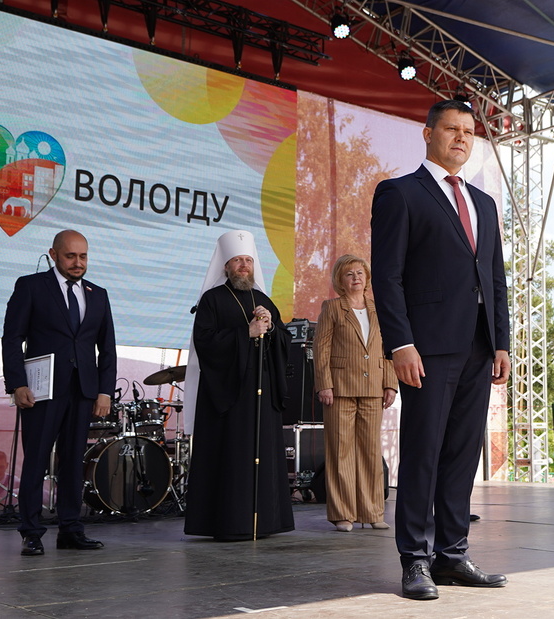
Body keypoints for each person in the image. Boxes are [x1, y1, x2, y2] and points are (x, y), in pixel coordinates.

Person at [371, 99, 511, 600]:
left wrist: (502, 343)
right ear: (427, 133)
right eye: (451, 129)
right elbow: (387, 277)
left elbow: (495, 281)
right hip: (426, 348)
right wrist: (400, 343)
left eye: (469, 131)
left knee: (460, 455)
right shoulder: (400, 194)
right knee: (423, 453)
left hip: (479, 346)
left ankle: (452, 555)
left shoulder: (485, 203)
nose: (461, 138)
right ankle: (415, 559)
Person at [1, 229, 117, 556]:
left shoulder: (98, 294)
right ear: (53, 254)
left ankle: (70, 529)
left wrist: (104, 391)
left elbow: (107, 348)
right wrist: (17, 383)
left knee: (72, 463)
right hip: (41, 391)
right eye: (71, 256)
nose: (78, 263)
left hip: (83, 391)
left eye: (83, 256)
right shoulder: (31, 286)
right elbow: (12, 339)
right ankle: (32, 532)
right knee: (37, 460)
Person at [183, 230, 294, 541]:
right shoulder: (212, 300)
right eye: (237, 261)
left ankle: (267, 522)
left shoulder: (264, 300)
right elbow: (204, 342)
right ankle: (230, 522)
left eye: (248, 260)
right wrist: (245, 333)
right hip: (228, 397)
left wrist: (271, 329)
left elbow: (284, 342)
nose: (244, 265)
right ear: (226, 266)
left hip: (262, 394)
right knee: (231, 458)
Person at [314, 254, 398, 532]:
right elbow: (321, 349)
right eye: (350, 274)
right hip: (340, 389)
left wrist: (390, 383)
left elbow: (388, 350)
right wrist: (324, 383)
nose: (356, 278)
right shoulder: (332, 308)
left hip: (374, 387)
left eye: (360, 273)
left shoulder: (378, 308)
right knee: (341, 451)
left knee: (371, 452)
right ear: (340, 279)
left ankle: (373, 512)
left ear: (367, 278)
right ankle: (343, 514)